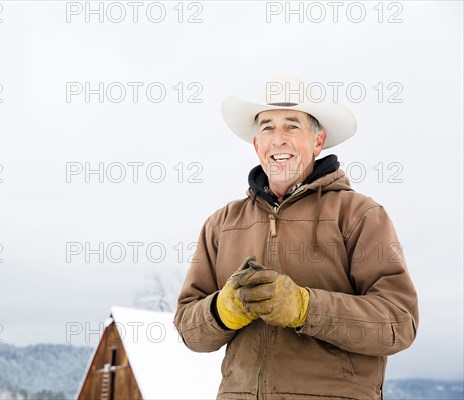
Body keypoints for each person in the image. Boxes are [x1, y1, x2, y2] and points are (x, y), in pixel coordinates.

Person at [173, 77, 419, 400]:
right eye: (267, 128)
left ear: (318, 142)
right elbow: (189, 329)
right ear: (256, 145)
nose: (278, 140)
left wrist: (305, 308)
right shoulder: (221, 225)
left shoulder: (360, 215)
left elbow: (399, 323)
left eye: (291, 127)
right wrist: (224, 309)